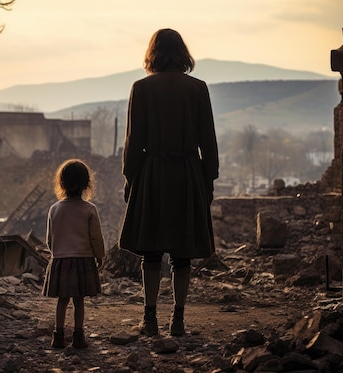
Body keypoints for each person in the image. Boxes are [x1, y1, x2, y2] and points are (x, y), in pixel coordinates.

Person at [118, 28, 219, 337]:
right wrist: (208, 179)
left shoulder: (142, 88)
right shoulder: (198, 88)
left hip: (153, 174)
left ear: (153, 53)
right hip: (188, 174)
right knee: (182, 252)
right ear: (183, 53)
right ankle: (178, 318)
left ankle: (149, 318)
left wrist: (130, 177)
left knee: (151, 249)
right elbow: (208, 141)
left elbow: (134, 141)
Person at [42, 159, 106, 348]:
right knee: (79, 301)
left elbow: (49, 239)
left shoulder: (54, 209)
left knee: (62, 301)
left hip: (61, 260)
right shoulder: (89, 209)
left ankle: (58, 336)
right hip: (82, 260)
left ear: (61, 183)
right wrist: (99, 255)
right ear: (86, 183)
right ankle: (78, 337)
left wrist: (57, 253)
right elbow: (96, 237)